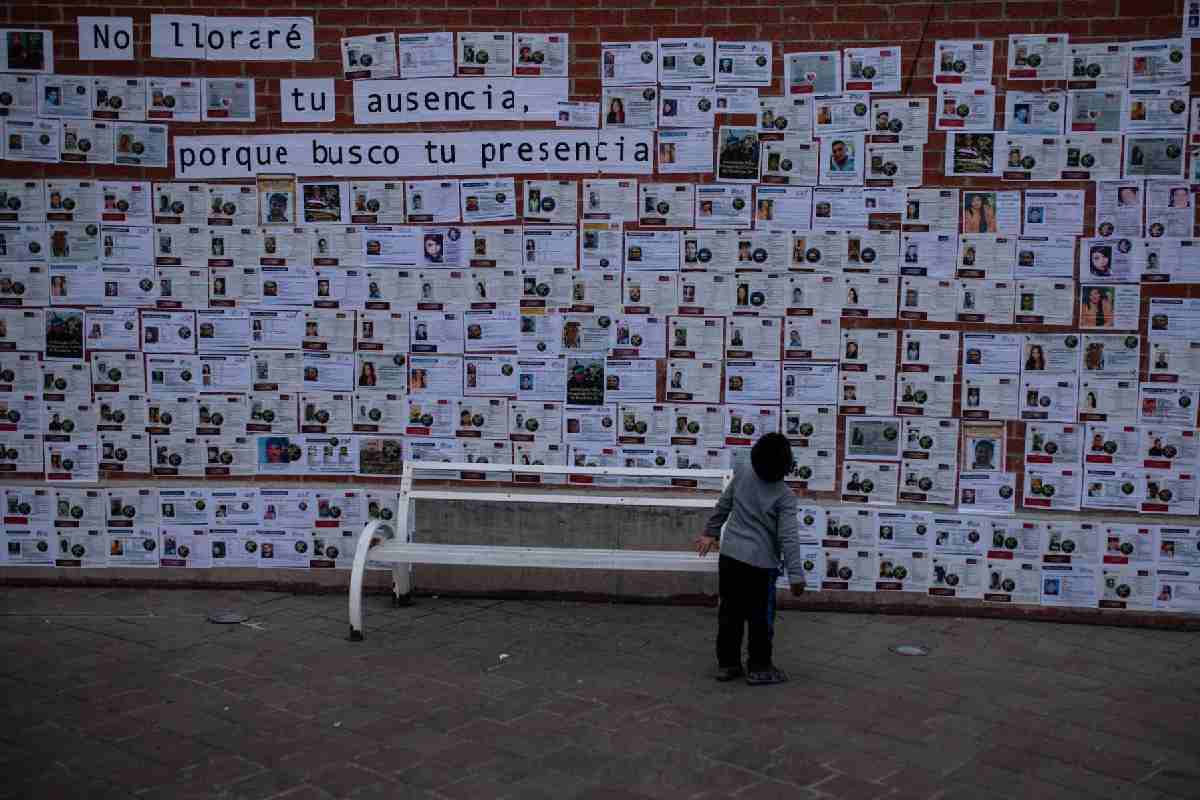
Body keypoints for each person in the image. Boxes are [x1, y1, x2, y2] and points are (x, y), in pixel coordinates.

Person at [695, 433, 805, 685]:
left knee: (729, 614)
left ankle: (728, 664)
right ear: (786, 465)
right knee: (760, 618)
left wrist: (710, 533)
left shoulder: (744, 471)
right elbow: (788, 538)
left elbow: (723, 505)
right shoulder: (785, 496)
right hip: (761, 567)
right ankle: (759, 667)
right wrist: (797, 576)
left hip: (731, 557)